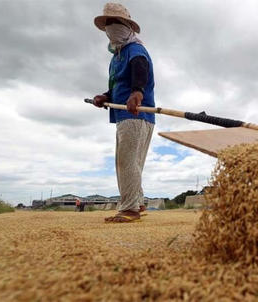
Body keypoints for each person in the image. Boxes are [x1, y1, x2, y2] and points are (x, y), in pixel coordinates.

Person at [93, 3, 154, 223]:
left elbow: (141, 69)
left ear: (127, 27)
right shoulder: (116, 57)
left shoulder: (135, 50)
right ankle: (137, 202)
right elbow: (116, 86)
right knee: (133, 162)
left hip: (136, 113)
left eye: (116, 23)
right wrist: (105, 97)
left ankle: (129, 209)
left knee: (125, 161)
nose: (111, 28)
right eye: (108, 25)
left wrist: (137, 92)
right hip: (125, 115)